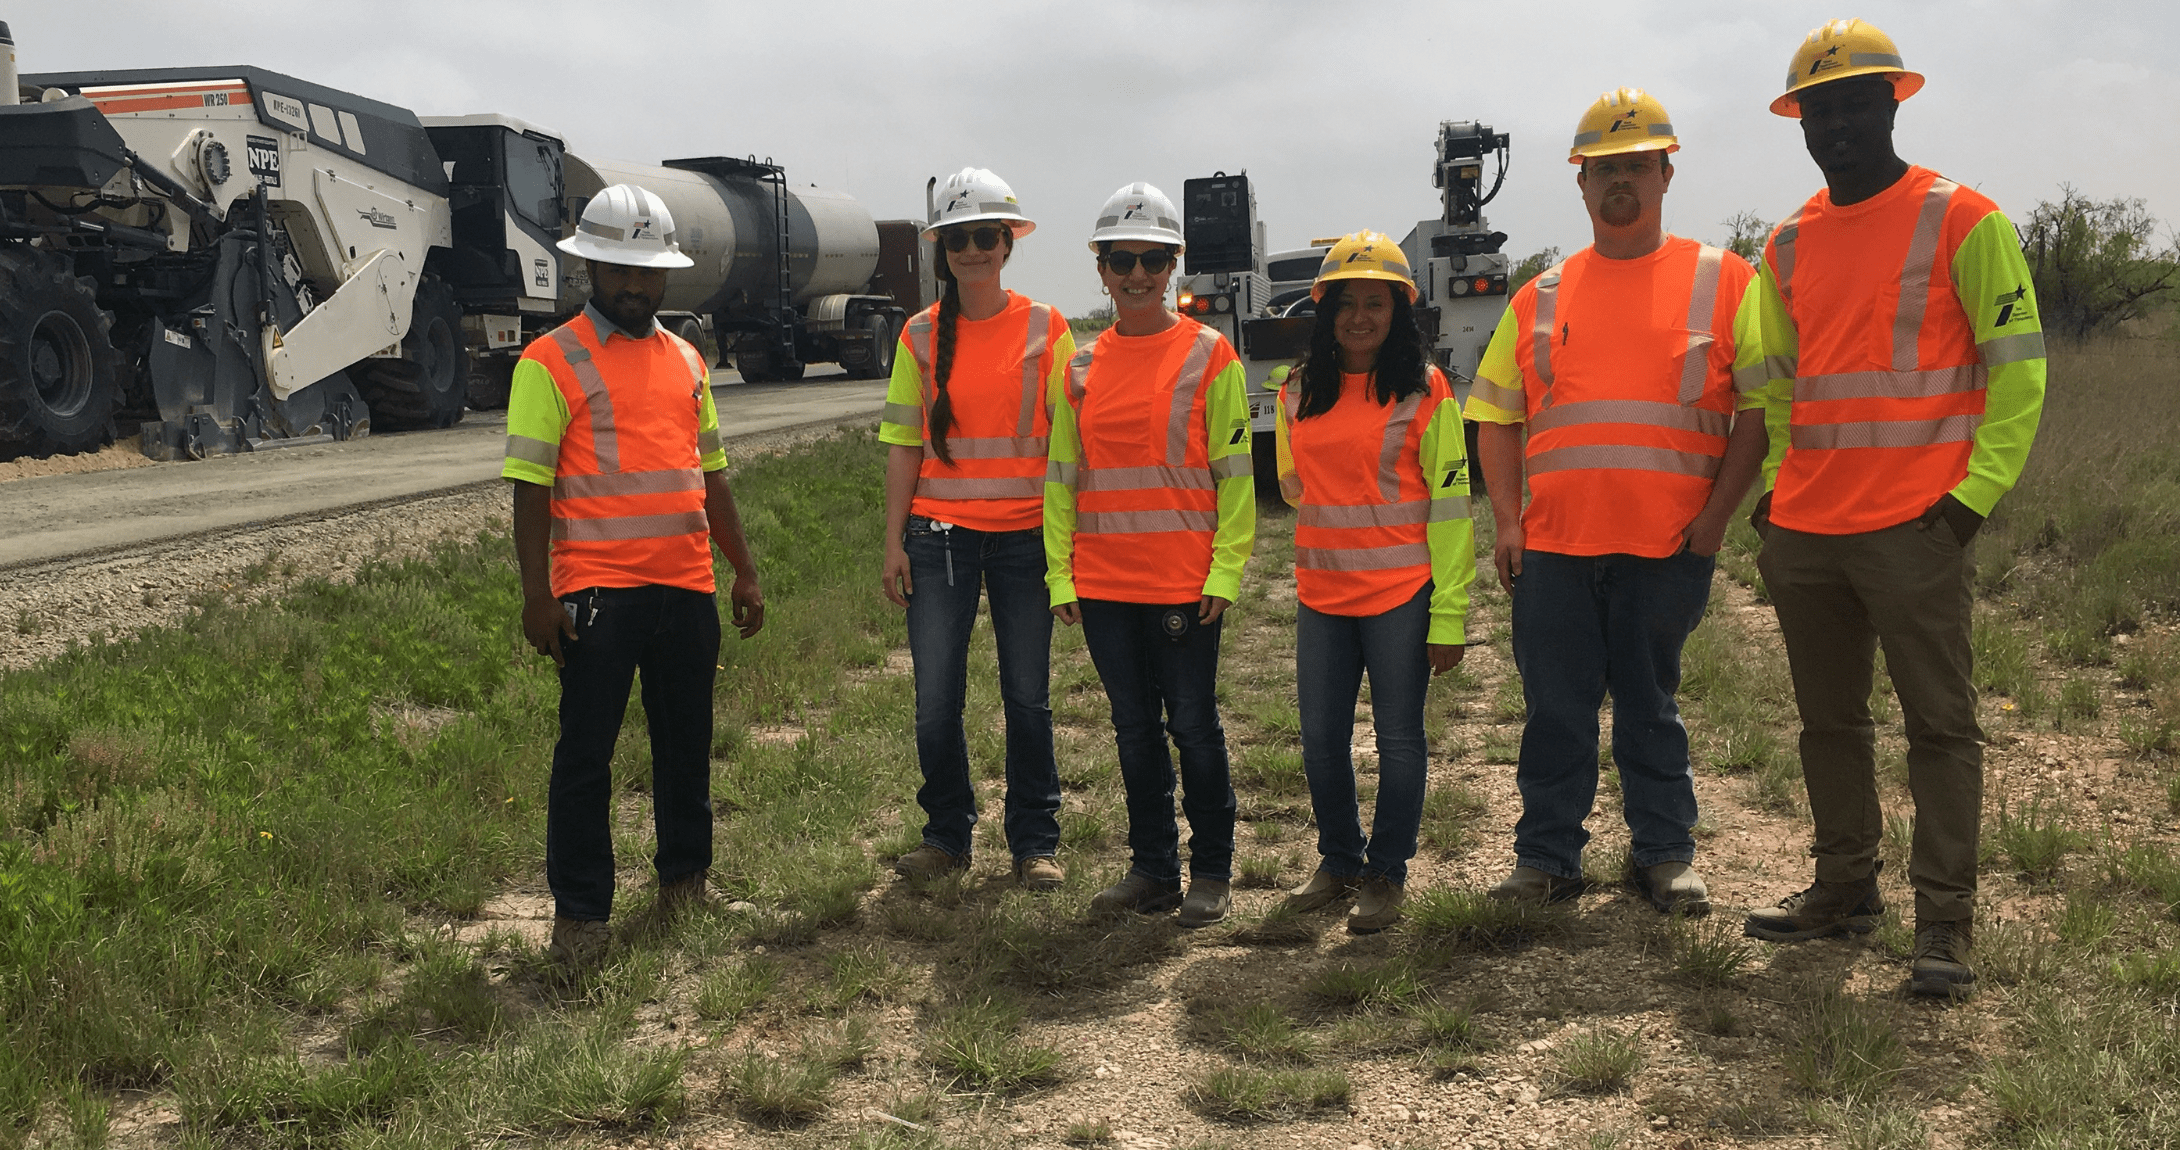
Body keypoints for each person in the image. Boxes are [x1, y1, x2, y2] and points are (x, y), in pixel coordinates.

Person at [1741, 20, 2045, 999]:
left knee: (1939, 728)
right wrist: (1777, 496)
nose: (1834, 122)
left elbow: (2018, 376)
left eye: (1852, 102)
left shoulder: (1963, 220)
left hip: (1916, 528)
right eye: (1816, 108)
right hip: (1809, 530)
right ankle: (1842, 889)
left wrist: (1969, 503)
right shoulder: (1782, 244)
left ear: (1891, 101)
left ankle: (1943, 926)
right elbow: (1778, 387)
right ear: (1799, 120)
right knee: (1826, 725)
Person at [1464, 89, 1767, 915]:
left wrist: (1711, 526)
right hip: (1557, 550)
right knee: (1554, 712)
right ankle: (1547, 859)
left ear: (1666, 174)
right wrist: (1509, 520)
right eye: (1604, 170)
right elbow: (1495, 415)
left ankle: (1664, 854)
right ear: (1581, 184)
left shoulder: (1726, 280)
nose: (1619, 183)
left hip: (1668, 547)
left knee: (1649, 709)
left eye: (1636, 166)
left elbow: (1757, 416)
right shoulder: (1543, 294)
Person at [503, 184, 765, 970]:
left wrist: (743, 570)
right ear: (589, 266)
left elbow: (711, 475)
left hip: (684, 587)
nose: (634, 287)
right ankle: (581, 915)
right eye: (618, 269)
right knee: (586, 755)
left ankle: (687, 879)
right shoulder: (548, 362)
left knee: (687, 745)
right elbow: (531, 489)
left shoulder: (687, 361)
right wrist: (537, 597)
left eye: (647, 272)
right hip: (597, 595)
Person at [1045, 181, 1256, 927]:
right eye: (1122, 260)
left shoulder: (1210, 356)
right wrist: (1060, 574)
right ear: (1099, 266)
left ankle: (1213, 870)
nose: (1138, 275)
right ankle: (1152, 870)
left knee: (1193, 727)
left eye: (1154, 260)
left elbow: (1236, 479)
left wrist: (1226, 571)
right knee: (1133, 731)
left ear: (1176, 266)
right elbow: (1062, 480)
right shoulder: (1076, 367)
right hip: (1104, 585)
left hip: (1182, 583)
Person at [1273, 232, 1474, 933]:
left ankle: (1386, 874)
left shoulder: (1428, 390)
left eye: (1376, 304)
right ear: (1324, 311)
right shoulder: (1296, 390)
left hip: (1400, 596)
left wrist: (1448, 613)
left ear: (1399, 312)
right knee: (1321, 741)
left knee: (1398, 740)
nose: (1360, 317)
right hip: (1321, 593)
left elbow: (1451, 509)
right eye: (1346, 304)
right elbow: (1295, 483)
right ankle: (1338, 862)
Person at [880, 167, 1074, 890]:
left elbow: (1067, 443)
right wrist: (893, 540)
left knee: (1028, 696)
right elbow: (903, 445)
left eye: (985, 236)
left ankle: (1034, 842)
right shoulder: (919, 334)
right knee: (937, 701)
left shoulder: (1046, 327)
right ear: (944, 248)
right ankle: (946, 836)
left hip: (1026, 538)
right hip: (939, 540)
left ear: (1007, 243)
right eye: (959, 239)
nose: (973, 250)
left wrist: (1067, 545)